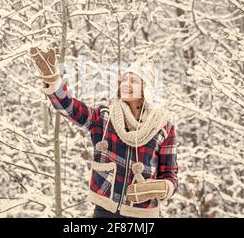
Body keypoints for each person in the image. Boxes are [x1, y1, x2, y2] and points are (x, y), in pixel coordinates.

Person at [30, 46, 178, 218]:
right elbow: (70, 108)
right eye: (124, 80)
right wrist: (53, 80)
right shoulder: (104, 117)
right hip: (104, 211)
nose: (126, 84)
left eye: (134, 81)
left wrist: (164, 187)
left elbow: (170, 174)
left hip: (143, 215)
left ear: (147, 90)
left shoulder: (163, 126)